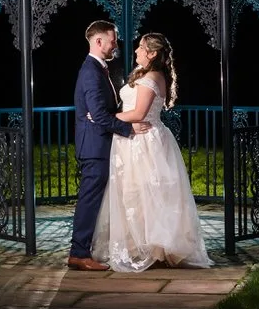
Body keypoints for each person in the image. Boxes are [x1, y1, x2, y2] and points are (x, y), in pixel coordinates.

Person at [91, 32, 214, 272]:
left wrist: (101, 118)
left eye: (140, 47)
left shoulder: (153, 77)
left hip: (144, 141)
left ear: (153, 53)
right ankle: (138, 244)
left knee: (147, 193)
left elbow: (138, 114)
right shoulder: (145, 74)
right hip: (131, 139)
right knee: (133, 193)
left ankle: (154, 247)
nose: (135, 51)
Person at [68, 20, 152, 271]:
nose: (116, 43)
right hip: (94, 146)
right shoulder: (91, 72)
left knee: (94, 199)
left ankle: (84, 250)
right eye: (113, 39)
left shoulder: (99, 69)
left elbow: (103, 113)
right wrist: (129, 128)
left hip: (100, 143)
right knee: (89, 200)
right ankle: (79, 254)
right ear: (98, 41)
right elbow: (100, 116)